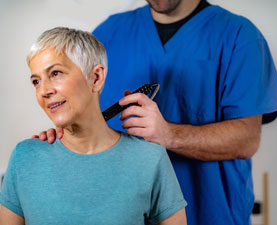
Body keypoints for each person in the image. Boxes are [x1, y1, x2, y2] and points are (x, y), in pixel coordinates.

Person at [36, 0, 277, 224]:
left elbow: (246, 139)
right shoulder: (109, 33)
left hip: (208, 213)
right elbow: (80, 114)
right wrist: (63, 136)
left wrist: (169, 135)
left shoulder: (238, 36)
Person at [0, 27, 187, 225]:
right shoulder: (25, 158)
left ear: (96, 78)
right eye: (36, 81)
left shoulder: (150, 160)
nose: (43, 90)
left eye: (55, 73)